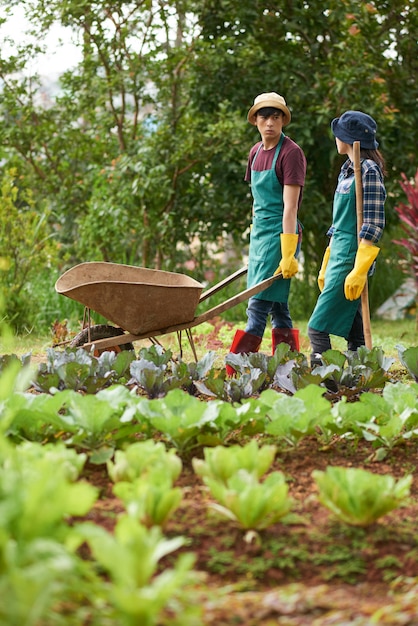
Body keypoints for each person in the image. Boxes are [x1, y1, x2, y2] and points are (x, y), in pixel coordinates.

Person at [226, 92, 306, 375]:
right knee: (279, 306)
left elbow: (290, 208)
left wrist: (287, 252)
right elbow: (256, 199)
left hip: (281, 233)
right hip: (260, 233)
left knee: (257, 303)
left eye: (275, 116)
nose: (269, 122)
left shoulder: (291, 153)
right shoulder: (255, 152)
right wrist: (254, 232)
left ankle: (234, 370)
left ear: (283, 119)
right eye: (264, 116)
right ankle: (289, 367)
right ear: (255, 120)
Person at [307, 110, 386, 367]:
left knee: (317, 326)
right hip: (338, 251)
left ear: (350, 139)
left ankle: (322, 380)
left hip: (353, 255)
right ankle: (359, 374)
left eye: (338, 133)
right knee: (356, 331)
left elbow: (373, 222)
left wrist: (360, 267)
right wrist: (327, 258)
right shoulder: (346, 171)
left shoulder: (369, 171)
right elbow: (337, 223)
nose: (335, 138)